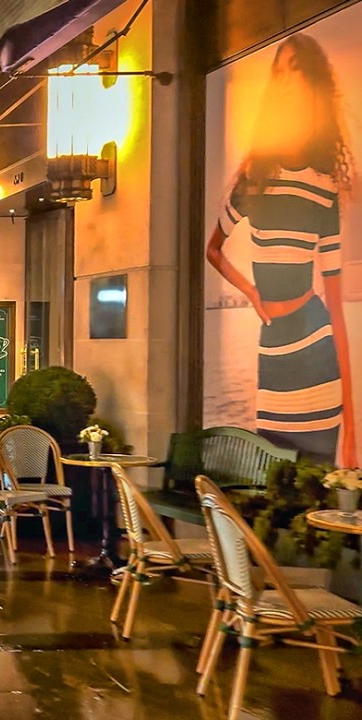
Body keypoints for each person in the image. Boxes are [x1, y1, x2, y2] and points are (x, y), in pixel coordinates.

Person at [207, 35, 355, 467]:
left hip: (316, 344)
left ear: (313, 85)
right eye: (280, 70)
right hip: (272, 349)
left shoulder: (324, 185)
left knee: (315, 487)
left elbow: (336, 304)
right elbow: (214, 250)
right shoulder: (256, 179)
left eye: (298, 69)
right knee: (272, 481)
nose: (288, 80)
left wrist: (353, 427)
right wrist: (251, 292)